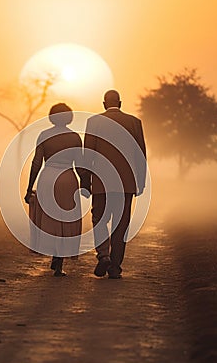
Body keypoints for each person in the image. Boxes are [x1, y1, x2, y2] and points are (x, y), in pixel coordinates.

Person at [82, 90, 147, 279]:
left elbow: (88, 154)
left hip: (101, 182)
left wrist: (85, 182)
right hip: (126, 184)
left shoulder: (94, 122)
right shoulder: (135, 123)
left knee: (99, 219)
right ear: (120, 102)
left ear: (104, 104)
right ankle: (115, 266)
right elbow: (140, 156)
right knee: (121, 224)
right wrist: (140, 182)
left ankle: (103, 255)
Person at [24, 103, 84, 277]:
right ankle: (59, 260)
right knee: (65, 220)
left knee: (49, 218)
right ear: (69, 117)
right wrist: (86, 184)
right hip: (68, 179)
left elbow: (36, 163)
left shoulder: (44, 135)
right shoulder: (74, 137)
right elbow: (80, 165)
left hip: (48, 177)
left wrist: (29, 188)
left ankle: (52, 251)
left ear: (52, 117)